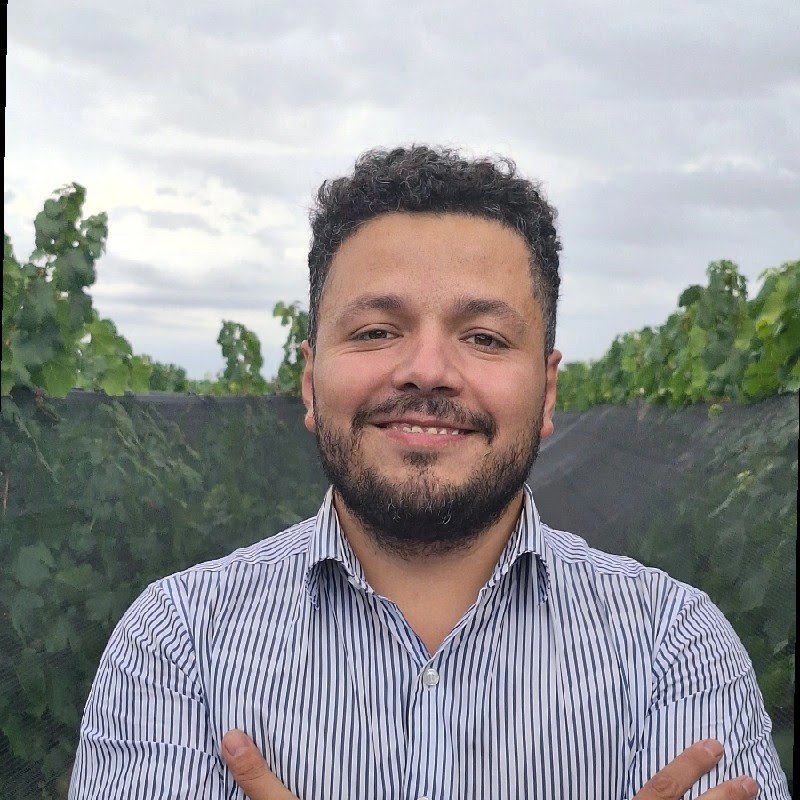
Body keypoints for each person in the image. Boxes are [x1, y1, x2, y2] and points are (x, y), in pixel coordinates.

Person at [69, 146, 789, 799]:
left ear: (547, 392)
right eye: (376, 331)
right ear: (310, 382)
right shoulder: (178, 645)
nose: (427, 370)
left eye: (484, 337)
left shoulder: (673, 646)